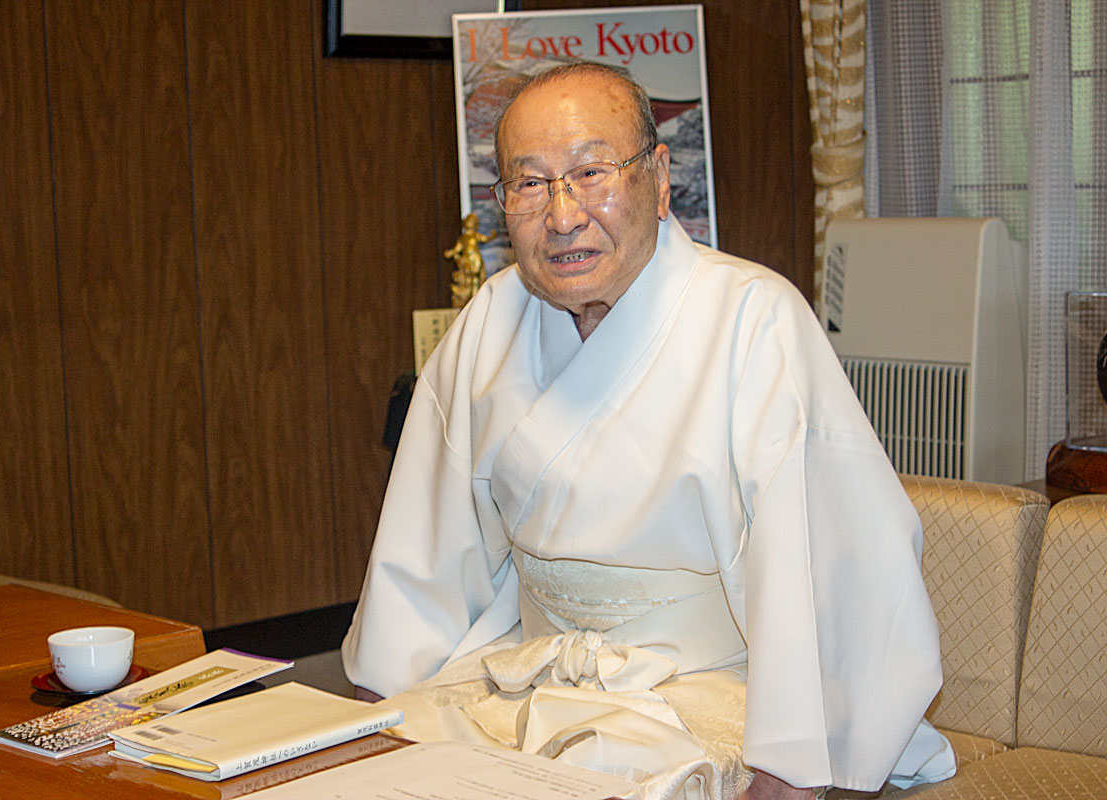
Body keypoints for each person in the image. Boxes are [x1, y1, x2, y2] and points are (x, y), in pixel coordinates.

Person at [342, 62, 955, 800]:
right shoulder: (490, 322)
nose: (562, 215)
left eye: (591, 172)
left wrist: (788, 770)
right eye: (529, 184)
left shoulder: (754, 321)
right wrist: (381, 718)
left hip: (699, 698)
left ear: (660, 179)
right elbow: (428, 548)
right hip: (522, 679)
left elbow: (830, 572)